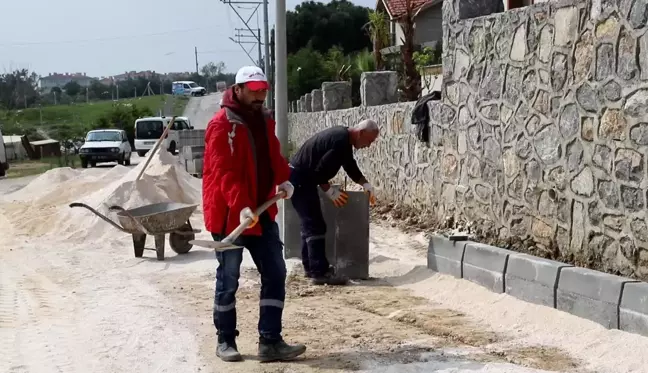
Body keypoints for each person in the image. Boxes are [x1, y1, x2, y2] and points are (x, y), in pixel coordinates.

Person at [202, 65, 306, 363]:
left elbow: (273, 153)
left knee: (275, 271)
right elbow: (225, 173)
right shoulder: (222, 125)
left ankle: (270, 341)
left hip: (261, 213)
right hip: (229, 216)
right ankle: (225, 340)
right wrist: (242, 206)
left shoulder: (263, 119)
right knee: (229, 278)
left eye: (263, 90)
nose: (260, 95)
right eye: (254, 90)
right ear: (238, 90)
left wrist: (284, 178)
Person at [288, 120, 380, 286]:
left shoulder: (343, 138)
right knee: (315, 225)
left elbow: (349, 165)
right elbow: (319, 171)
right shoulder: (339, 141)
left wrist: (365, 184)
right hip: (301, 180)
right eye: (369, 141)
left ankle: (311, 267)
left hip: (301, 179)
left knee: (310, 224)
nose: (369, 145)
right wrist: (329, 191)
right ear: (360, 133)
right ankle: (319, 272)